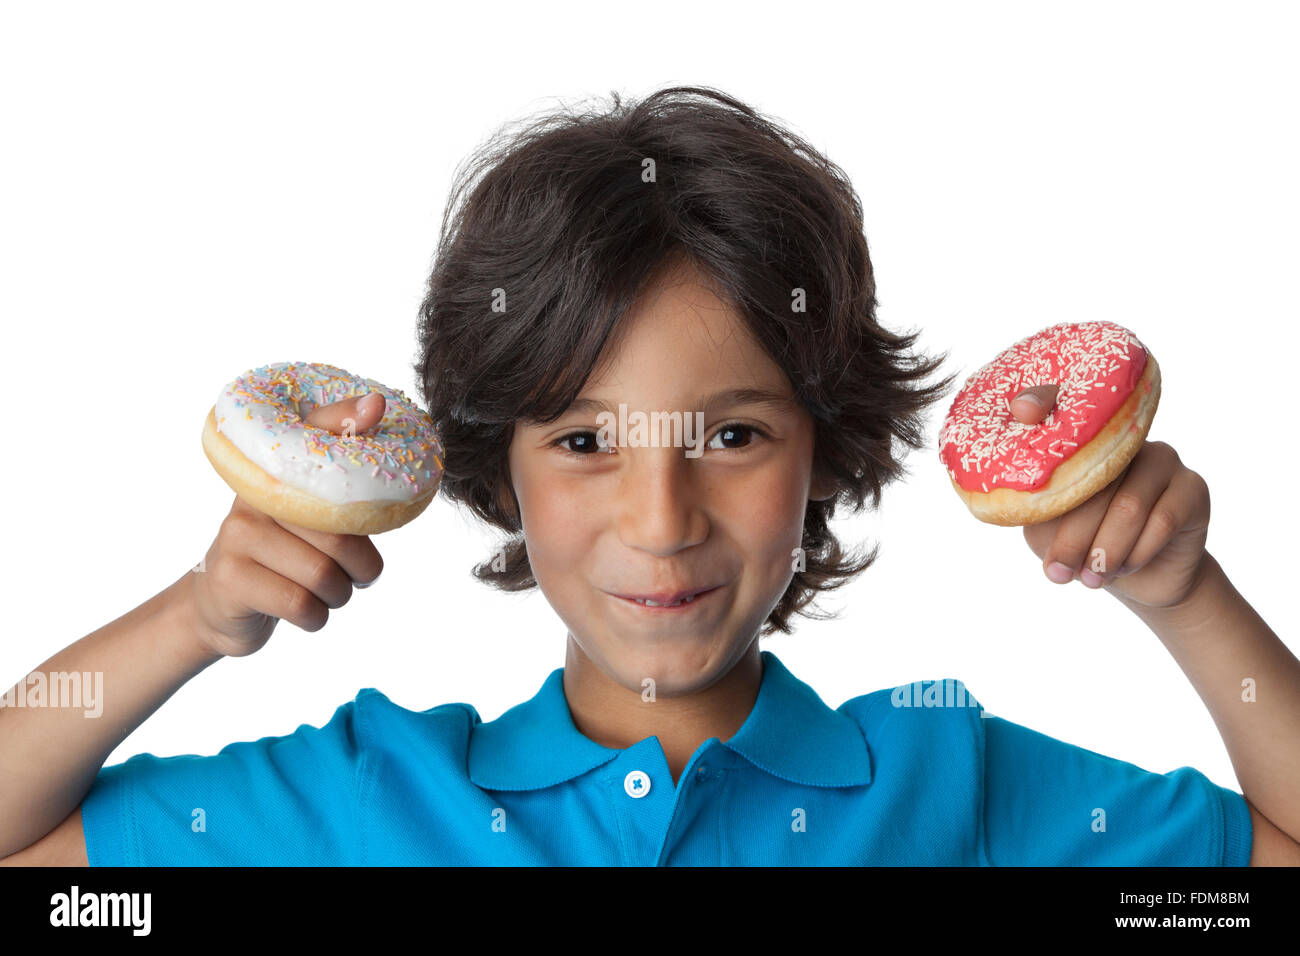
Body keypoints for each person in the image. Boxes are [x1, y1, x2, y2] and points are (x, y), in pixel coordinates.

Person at [3, 86, 1298, 865]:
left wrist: (1185, 596)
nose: (661, 521)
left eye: (732, 436)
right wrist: (192, 617)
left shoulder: (953, 792)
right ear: (493, 471)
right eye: (583, 442)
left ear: (824, 452)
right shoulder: (368, 799)